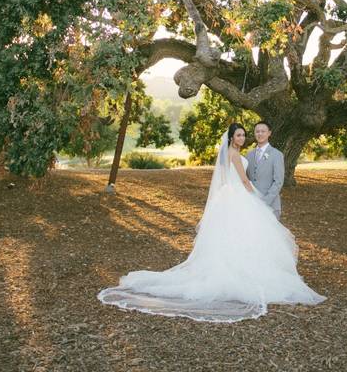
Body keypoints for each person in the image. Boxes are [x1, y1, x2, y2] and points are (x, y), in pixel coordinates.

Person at [97, 122, 325, 322]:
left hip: (230, 198)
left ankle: (243, 266)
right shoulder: (234, 154)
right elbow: (245, 180)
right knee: (246, 236)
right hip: (240, 197)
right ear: (231, 137)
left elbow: (232, 179)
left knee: (237, 237)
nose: (242, 138)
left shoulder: (232, 153)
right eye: (239, 135)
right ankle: (244, 272)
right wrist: (256, 198)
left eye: (244, 135)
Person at [245, 121, 285, 219]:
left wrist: (265, 202)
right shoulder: (248, 155)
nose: (260, 134)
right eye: (257, 131)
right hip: (251, 204)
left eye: (263, 131)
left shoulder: (277, 154)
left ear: (269, 133)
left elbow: (278, 182)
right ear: (254, 133)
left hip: (270, 205)